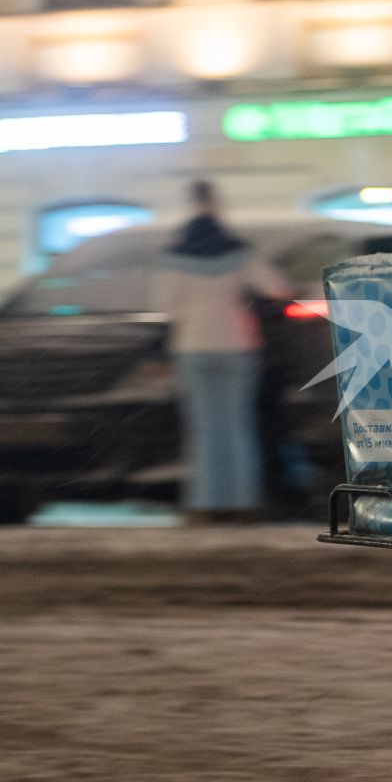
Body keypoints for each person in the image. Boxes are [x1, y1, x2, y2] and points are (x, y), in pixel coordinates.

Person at [155, 180, 293, 524]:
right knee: (238, 426)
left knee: (203, 428)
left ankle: (204, 504)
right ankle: (242, 502)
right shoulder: (238, 251)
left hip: (192, 347)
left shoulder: (175, 257)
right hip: (236, 345)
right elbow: (277, 288)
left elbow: (166, 306)